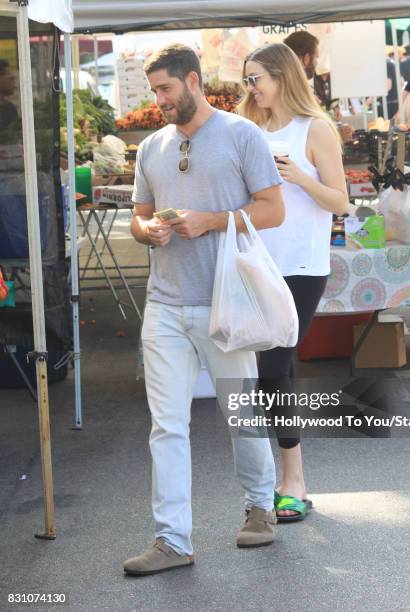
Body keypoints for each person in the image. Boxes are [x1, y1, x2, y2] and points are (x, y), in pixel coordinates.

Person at [125, 44, 284, 576]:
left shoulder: (242, 135)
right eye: (154, 92)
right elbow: (138, 219)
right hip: (165, 304)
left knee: (240, 414)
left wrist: (211, 221)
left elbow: (273, 209)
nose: (160, 99)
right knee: (166, 426)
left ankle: (261, 506)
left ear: (192, 81)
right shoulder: (151, 147)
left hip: (226, 302)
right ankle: (172, 540)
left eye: (166, 89)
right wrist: (147, 231)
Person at [238, 43, 348, 521]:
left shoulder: (315, 128)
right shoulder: (248, 129)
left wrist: (301, 178)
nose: (250, 87)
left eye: (256, 77)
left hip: (302, 267)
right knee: (274, 370)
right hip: (256, 262)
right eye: (246, 79)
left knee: (272, 371)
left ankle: (293, 481)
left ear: (283, 76)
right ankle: (285, 479)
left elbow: (340, 202)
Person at [283, 31, 353, 142]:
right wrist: (336, 135)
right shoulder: (292, 90)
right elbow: (303, 135)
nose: (316, 63)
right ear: (306, 58)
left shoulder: (286, 86)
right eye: (316, 58)